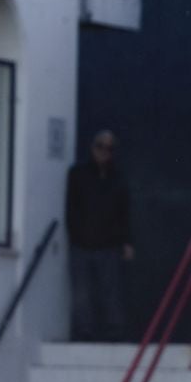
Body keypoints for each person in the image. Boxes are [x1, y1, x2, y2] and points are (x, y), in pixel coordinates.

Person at [65, 130, 133, 341]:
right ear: (92, 147)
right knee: (81, 291)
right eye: (100, 146)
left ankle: (115, 331)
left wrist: (126, 241)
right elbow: (71, 208)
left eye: (109, 148)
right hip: (82, 242)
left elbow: (124, 212)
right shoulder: (77, 174)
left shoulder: (118, 178)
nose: (104, 151)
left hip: (109, 244)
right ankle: (84, 331)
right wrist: (77, 235)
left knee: (111, 290)